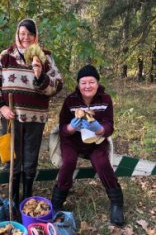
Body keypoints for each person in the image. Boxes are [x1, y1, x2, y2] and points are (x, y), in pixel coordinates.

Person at [0, 18, 63, 207]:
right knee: (13, 158)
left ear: (35, 35)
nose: (26, 37)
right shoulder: (6, 56)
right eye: (22, 33)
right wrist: (1, 107)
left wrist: (40, 77)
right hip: (11, 117)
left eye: (29, 33)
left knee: (30, 159)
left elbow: (57, 84)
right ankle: (13, 198)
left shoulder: (45, 57)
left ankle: (27, 197)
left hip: (36, 118)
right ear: (17, 34)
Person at [51, 64, 125, 227]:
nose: (87, 86)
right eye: (83, 82)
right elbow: (62, 128)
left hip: (96, 140)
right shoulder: (70, 100)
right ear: (78, 84)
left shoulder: (105, 99)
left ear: (97, 83)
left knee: (102, 162)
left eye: (91, 82)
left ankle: (116, 203)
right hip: (72, 140)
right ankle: (57, 203)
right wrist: (71, 127)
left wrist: (99, 129)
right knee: (68, 162)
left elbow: (110, 125)